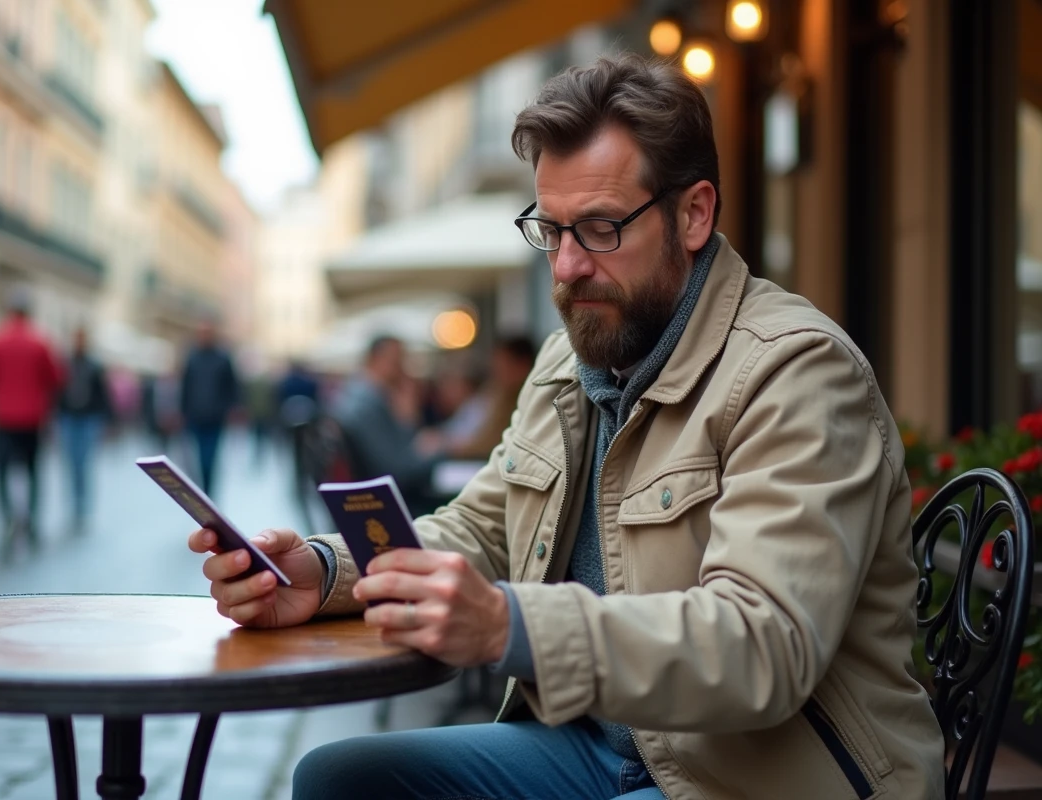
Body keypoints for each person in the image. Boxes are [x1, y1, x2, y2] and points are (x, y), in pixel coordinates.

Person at [187, 54, 944, 800]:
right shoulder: (568, 360)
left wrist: (508, 625)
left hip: (757, 776)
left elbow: (762, 647)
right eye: (551, 231)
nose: (567, 266)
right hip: (598, 749)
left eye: (600, 228)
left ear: (694, 214)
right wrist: (323, 573)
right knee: (341, 780)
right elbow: (481, 531)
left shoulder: (796, 370)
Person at [0, 288, 65, 557]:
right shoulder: (41, 341)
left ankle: (8, 517)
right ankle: (31, 521)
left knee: (1, 472)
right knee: (33, 472)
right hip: (33, 419)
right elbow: (56, 378)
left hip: (5, 419)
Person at [331, 336, 447, 517]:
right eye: (397, 361)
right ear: (376, 359)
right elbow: (397, 473)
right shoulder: (366, 406)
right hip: (389, 509)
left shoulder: (359, 396)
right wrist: (434, 449)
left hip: (376, 502)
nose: (403, 368)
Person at [443, 334, 538, 460]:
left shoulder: (522, 399)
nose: (497, 372)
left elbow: (491, 443)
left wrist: (452, 447)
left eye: (503, 365)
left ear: (522, 365)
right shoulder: (498, 393)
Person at [55, 326, 113, 534]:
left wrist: (106, 420)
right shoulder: (65, 364)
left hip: (88, 419)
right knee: (71, 464)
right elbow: (56, 391)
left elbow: (103, 394)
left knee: (84, 464)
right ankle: (73, 507)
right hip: (68, 418)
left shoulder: (94, 365)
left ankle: (82, 508)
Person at [180, 319, 239, 498]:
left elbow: (232, 386)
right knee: (197, 458)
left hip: (215, 417)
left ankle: (208, 492)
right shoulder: (192, 357)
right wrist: (182, 411)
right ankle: (202, 491)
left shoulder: (223, 358)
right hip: (195, 416)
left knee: (209, 458)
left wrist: (231, 408)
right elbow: (185, 386)